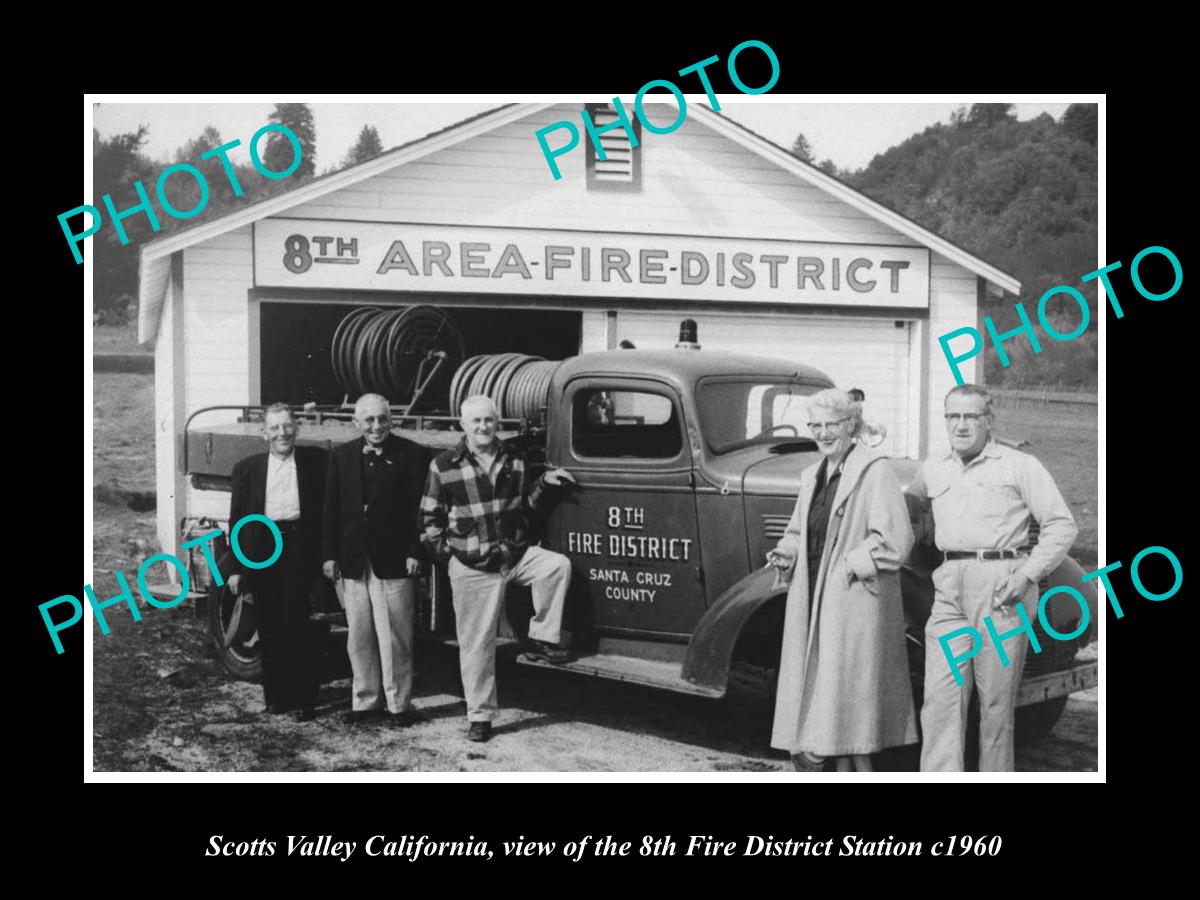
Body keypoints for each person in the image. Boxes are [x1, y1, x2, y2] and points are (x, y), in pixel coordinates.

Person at [910, 384, 1077, 771]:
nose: (962, 425)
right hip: (949, 587)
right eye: (954, 416)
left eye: (971, 417)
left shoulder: (1020, 465)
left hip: (1002, 589)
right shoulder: (934, 467)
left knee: (996, 705)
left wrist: (1027, 576)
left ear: (989, 422)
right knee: (940, 700)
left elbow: (1061, 525)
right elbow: (912, 512)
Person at [768, 388, 917, 772]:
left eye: (831, 424)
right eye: (815, 425)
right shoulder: (812, 474)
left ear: (852, 426)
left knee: (848, 712)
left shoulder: (874, 470)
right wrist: (786, 552)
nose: (822, 432)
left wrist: (850, 565)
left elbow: (895, 540)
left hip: (852, 602)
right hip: (812, 596)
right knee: (828, 708)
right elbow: (799, 531)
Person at [420, 394, 575, 743]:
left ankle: (542, 635)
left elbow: (526, 508)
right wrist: (453, 560)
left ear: (497, 422)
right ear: (463, 425)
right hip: (472, 566)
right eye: (475, 421)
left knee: (556, 567)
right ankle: (480, 715)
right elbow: (429, 521)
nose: (483, 427)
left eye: (488, 420)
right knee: (476, 646)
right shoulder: (444, 465)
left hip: (512, 556)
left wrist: (544, 485)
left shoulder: (514, 459)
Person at [322, 393, 428, 727]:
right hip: (354, 560)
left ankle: (398, 704)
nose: (376, 426)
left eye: (382, 418)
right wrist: (329, 555)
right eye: (369, 420)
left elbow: (420, 512)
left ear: (391, 420)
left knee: (395, 635)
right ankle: (365, 700)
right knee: (359, 634)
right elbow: (331, 511)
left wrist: (415, 551)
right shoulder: (341, 457)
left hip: (394, 559)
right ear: (357, 423)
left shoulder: (413, 455)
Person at [228, 403, 326, 722]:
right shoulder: (247, 469)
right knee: (269, 623)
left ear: (296, 428)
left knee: (300, 621)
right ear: (264, 433)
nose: (282, 433)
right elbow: (238, 522)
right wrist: (236, 568)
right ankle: (277, 696)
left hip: (300, 546)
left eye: (287, 426)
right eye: (274, 428)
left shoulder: (316, 462)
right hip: (264, 547)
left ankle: (305, 699)